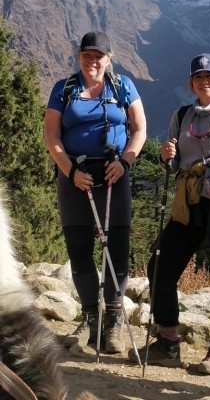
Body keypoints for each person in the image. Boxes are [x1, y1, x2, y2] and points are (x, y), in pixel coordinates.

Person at [129, 53, 210, 375]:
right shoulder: (181, 116)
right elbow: (172, 163)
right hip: (189, 203)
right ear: (191, 82)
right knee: (160, 265)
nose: (204, 81)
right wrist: (166, 155)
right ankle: (168, 343)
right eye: (198, 77)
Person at [44, 31, 147, 353]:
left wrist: (126, 162)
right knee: (79, 247)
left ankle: (113, 320)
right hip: (74, 174)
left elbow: (139, 129)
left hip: (114, 172)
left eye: (98, 55)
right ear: (79, 56)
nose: (92, 61)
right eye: (87, 55)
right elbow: (51, 134)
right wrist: (70, 171)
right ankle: (92, 319)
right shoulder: (64, 89)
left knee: (117, 246)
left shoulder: (123, 86)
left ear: (109, 58)